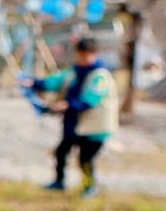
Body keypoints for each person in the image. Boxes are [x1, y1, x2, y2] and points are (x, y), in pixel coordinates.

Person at [42, 37, 118, 197]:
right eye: (81, 54)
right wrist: (35, 83)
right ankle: (59, 182)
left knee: (85, 159)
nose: (84, 58)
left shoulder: (100, 76)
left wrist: (68, 105)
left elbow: (91, 100)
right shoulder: (74, 72)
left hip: (94, 127)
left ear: (94, 53)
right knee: (61, 152)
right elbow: (55, 82)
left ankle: (90, 187)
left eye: (87, 54)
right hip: (74, 123)